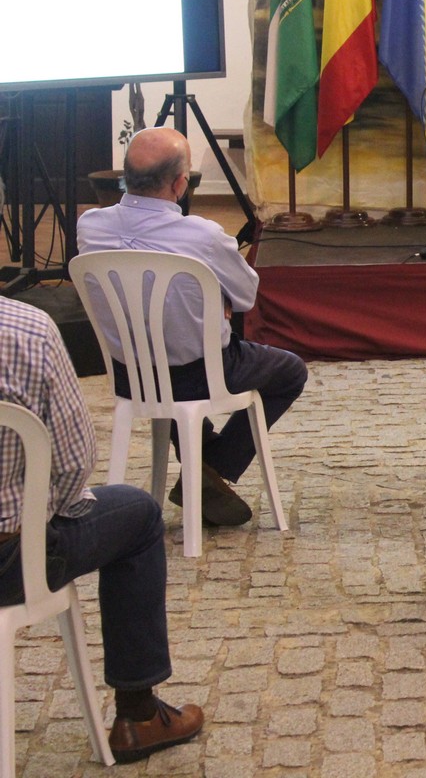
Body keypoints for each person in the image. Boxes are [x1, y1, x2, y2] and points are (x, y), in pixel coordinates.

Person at [0, 297, 204, 762]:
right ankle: (139, 715)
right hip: (9, 562)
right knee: (140, 515)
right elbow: (74, 462)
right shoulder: (27, 330)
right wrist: (42, 510)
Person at [76, 127, 307, 528]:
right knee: (290, 371)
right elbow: (246, 296)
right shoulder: (203, 236)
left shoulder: (90, 226)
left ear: (125, 177)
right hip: (197, 375)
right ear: (180, 184)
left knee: (159, 357)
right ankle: (214, 465)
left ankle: (203, 465)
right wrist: (216, 299)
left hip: (131, 375)